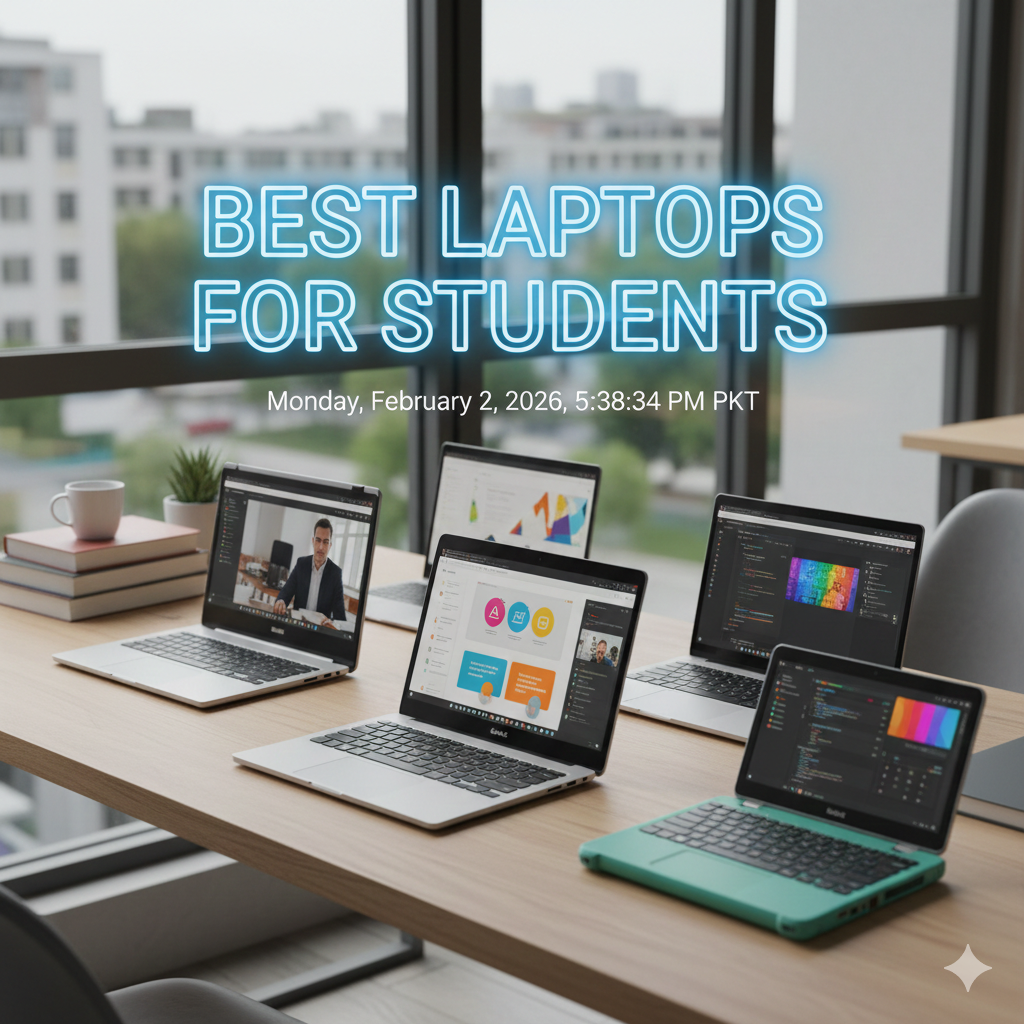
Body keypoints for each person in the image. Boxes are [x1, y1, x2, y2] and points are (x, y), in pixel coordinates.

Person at [273, 519, 346, 627]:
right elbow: (286, 592)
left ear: (330, 545)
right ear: (313, 541)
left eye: (325, 542)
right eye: (318, 540)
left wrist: (334, 625)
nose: (321, 547)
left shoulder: (335, 573)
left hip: (319, 631)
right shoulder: (301, 564)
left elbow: (340, 617)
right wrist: (281, 601)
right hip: (298, 626)